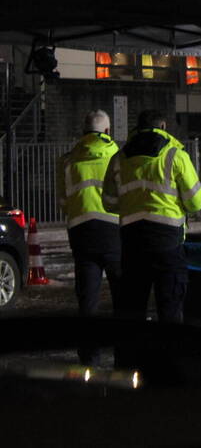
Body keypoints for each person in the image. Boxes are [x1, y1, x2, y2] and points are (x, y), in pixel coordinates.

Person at [102, 110, 201, 324]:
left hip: (132, 242)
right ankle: (168, 356)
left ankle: (128, 357)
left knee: (131, 310)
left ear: (137, 128)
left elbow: (109, 203)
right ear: (164, 126)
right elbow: (196, 202)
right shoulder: (175, 155)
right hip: (168, 242)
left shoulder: (118, 158)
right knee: (170, 309)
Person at [56, 109, 121, 365]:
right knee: (121, 296)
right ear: (106, 131)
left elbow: (63, 200)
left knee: (87, 298)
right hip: (113, 230)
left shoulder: (68, 160)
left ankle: (89, 356)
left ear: (84, 132)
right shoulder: (116, 155)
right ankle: (122, 353)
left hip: (81, 231)